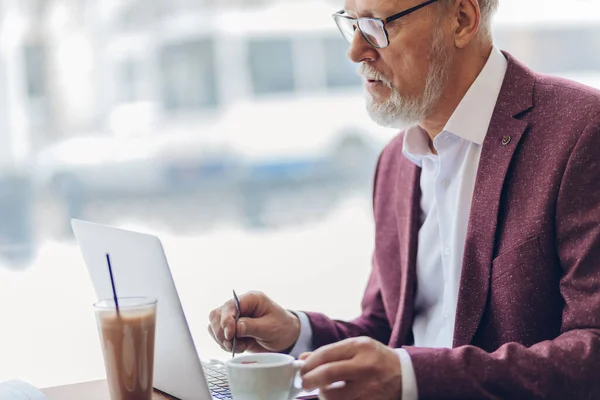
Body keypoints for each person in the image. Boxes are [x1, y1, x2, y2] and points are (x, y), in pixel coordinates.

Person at [208, 0, 600, 398]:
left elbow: (592, 350)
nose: (355, 51)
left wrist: (414, 378)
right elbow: (386, 329)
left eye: (377, 25)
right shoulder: (394, 163)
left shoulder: (582, 130)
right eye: (352, 23)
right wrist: (297, 332)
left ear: (461, 20)